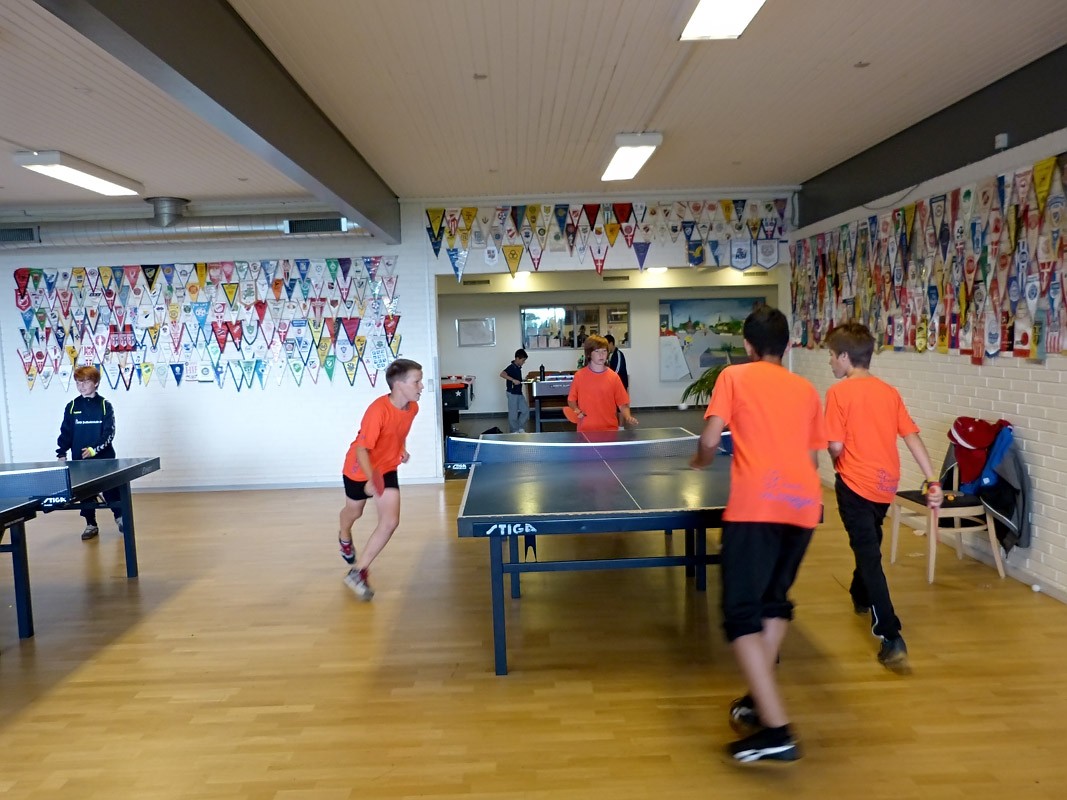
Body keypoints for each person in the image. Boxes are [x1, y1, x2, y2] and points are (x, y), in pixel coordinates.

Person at [690, 306, 826, 765]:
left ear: (747, 345)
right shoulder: (806, 389)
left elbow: (711, 440)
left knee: (740, 615)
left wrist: (700, 462)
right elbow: (813, 460)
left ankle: (777, 731)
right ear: (786, 345)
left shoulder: (733, 376)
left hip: (756, 508)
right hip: (803, 506)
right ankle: (758, 698)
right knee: (774, 602)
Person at [825, 321, 943, 671]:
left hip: (854, 484)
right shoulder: (889, 392)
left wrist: (835, 460)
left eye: (831, 355)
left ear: (844, 357)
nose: (830, 361)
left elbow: (835, 445)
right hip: (884, 485)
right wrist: (932, 479)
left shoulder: (838, 394)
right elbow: (911, 436)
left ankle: (890, 636)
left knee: (869, 555)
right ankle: (859, 593)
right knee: (869, 542)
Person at [337, 358, 423, 601]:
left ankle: (358, 572)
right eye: (416, 382)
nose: (421, 386)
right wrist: (371, 478)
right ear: (399, 385)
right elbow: (362, 449)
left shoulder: (412, 408)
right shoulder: (377, 411)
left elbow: (398, 432)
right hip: (358, 468)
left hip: (386, 467)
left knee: (390, 521)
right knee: (354, 512)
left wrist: (402, 448)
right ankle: (344, 534)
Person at [56, 365, 123, 540]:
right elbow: (66, 432)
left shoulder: (105, 405)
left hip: (104, 460)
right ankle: (90, 524)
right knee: (85, 494)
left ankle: (120, 517)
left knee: (111, 490)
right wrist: (61, 452)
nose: (81, 386)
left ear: (96, 383)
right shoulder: (72, 406)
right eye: (78, 382)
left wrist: (94, 449)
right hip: (80, 462)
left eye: (85, 382)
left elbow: (109, 433)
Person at [567, 335, 638, 432]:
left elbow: (622, 403)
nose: (601, 355)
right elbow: (571, 400)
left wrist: (628, 416)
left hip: (610, 430)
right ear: (589, 354)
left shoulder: (614, 377)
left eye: (604, 351)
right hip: (585, 430)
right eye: (597, 351)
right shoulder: (579, 376)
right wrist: (576, 409)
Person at [499, 348, 530, 433]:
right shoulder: (511, 367)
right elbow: (502, 374)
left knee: (525, 410)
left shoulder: (518, 367)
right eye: (523, 360)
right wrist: (513, 380)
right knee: (513, 414)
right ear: (517, 358)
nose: (523, 362)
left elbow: (517, 378)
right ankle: (514, 431)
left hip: (519, 393)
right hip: (512, 393)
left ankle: (520, 427)